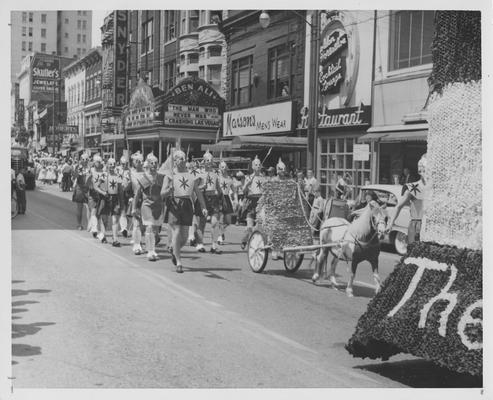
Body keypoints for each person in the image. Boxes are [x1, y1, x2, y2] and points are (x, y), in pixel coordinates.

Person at [161, 150, 207, 273]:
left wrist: (203, 207)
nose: (183, 160)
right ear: (175, 160)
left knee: (185, 237)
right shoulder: (170, 175)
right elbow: (162, 193)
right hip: (174, 204)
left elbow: (198, 193)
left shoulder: (191, 175)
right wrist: (169, 190)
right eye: (180, 158)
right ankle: (179, 262)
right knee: (176, 232)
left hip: (187, 204)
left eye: (184, 158)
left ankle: (174, 250)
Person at [387, 154, 427, 246]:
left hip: (430, 227)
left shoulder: (435, 189)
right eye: (424, 170)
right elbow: (398, 207)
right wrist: (391, 224)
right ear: (420, 170)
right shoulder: (412, 188)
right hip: (416, 227)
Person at [132, 152, 163, 261]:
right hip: (146, 205)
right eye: (152, 163)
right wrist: (133, 208)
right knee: (149, 227)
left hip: (158, 206)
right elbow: (137, 194)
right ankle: (150, 251)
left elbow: (164, 192)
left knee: (155, 229)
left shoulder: (161, 177)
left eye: (156, 163)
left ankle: (152, 249)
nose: (154, 165)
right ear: (148, 164)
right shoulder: (144, 177)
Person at [195, 150, 223, 254]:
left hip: (214, 199)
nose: (208, 162)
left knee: (215, 223)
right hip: (203, 198)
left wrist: (222, 197)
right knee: (201, 223)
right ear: (204, 161)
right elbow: (195, 188)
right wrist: (202, 187)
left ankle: (214, 245)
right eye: (207, 160)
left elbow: (218, 188)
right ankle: (200, 243)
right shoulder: (199, 174)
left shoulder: (215, 175)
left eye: (210, 160)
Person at [95, 158, 123, 247]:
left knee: (115, 219)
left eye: (113, 164)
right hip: (106, 198)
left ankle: (115, 239)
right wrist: (103, 192)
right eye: (110, 164)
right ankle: (103, 234)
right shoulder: (104, 175)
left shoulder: (118, 176)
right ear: (107, 165)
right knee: (105, 219)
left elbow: (120, 190)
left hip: (115, 198)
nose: (112, 166)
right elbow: (96, 186)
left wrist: (121, 202)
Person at [241, 155, 264, 249]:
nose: (258, 166)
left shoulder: (264, 178)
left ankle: (254, 244)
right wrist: (247, 184)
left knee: (259, 226)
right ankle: (244, 240)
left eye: (259, 164)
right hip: (251, 202)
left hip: (261, 203)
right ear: (252, 166)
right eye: (256, 164)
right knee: (249, 227)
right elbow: (243, 190)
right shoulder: (248, 177)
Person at [129, 151, 145, 255]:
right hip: (136, 199)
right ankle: (136, 244)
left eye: (140, 161)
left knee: (144, 224)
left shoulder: (146, 173)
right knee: (136, 223)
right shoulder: (130, 173)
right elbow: (127, 186)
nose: (138, 163)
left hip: (146, 200)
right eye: (136, 161)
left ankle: (139, 241)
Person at [217, 160, 235, 245]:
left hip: (227, 198)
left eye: (225, 167)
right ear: (220, 168)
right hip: (219, 198)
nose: (224, 169)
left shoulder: (229, 179)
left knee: (228, 221)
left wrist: (234, 195)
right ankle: (220, 237)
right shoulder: (217, 178)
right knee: (221, 219)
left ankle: (221, 231)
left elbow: (233, 189)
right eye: (222, 167)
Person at [72, 163, 89, 230]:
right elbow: (74, 177)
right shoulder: (78, 167)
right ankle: (79, 224)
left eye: (86, 159)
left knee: (90, 208)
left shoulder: (90, 167)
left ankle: (90, 225)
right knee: (80, 208)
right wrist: (79, 172)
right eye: (83, 159)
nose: (85, 161)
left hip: (87, 189)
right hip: (80, 189)